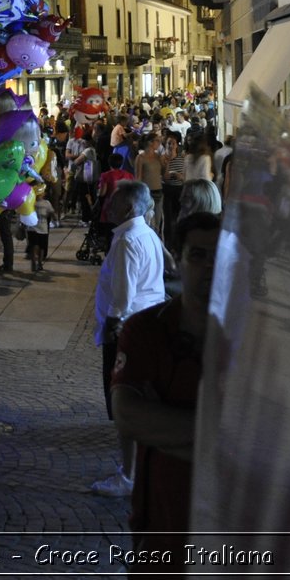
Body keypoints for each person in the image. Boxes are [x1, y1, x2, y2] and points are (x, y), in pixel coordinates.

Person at [112, 212, 222, 568]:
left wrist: (162, 430)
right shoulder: (146, 329)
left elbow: (258, 442)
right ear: (179, 258)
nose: (209, 267)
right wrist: (217, 429)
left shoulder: (253, 343)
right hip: (159, 531)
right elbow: (128, 417)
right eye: (198, 255)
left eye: (219, 257)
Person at [89, 181, 168, 499]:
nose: (108, 205)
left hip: (128, 331)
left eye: (115, 201)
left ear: (130, 208)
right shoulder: (144, 233)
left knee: (124, 403)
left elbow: (122, 296)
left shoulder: (127, 241)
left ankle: (129, 475)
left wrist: (112, 328)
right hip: (145, 325)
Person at [27, 197, 55, 273]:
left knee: (41, 247)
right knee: (35, 245)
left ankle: (39, 262)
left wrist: (53, 216)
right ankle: (34, 262)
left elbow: (52, 213)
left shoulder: (47, 203)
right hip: (33, 228)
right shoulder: (30, 201)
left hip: (43, 228)